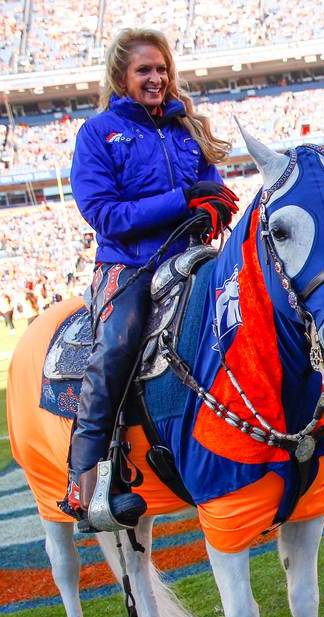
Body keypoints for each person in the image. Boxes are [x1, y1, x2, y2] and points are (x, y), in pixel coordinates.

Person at [60, 28, 239, 523]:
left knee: (265, 306)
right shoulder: (97, 134)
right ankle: (86, 482)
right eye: (144, 70)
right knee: (117, 348)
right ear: (122, 76)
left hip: (194, 257)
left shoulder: (189, 127)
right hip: (129, 265)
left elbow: (212, 186)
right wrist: (184, 200)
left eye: (161, 69)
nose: (156, 78)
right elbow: (104, 215)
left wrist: (215, 206)